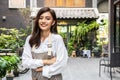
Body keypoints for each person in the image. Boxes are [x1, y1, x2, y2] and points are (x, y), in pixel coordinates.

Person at [22, 7, 68, 80]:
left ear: (53, 22)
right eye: (41, 18)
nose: (43, 21)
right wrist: (47, 61)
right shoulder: (30, 39)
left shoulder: (57, 39)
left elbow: (61, 63)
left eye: (47, 18)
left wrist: (43, 69)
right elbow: (25, 62)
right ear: (37, 20)